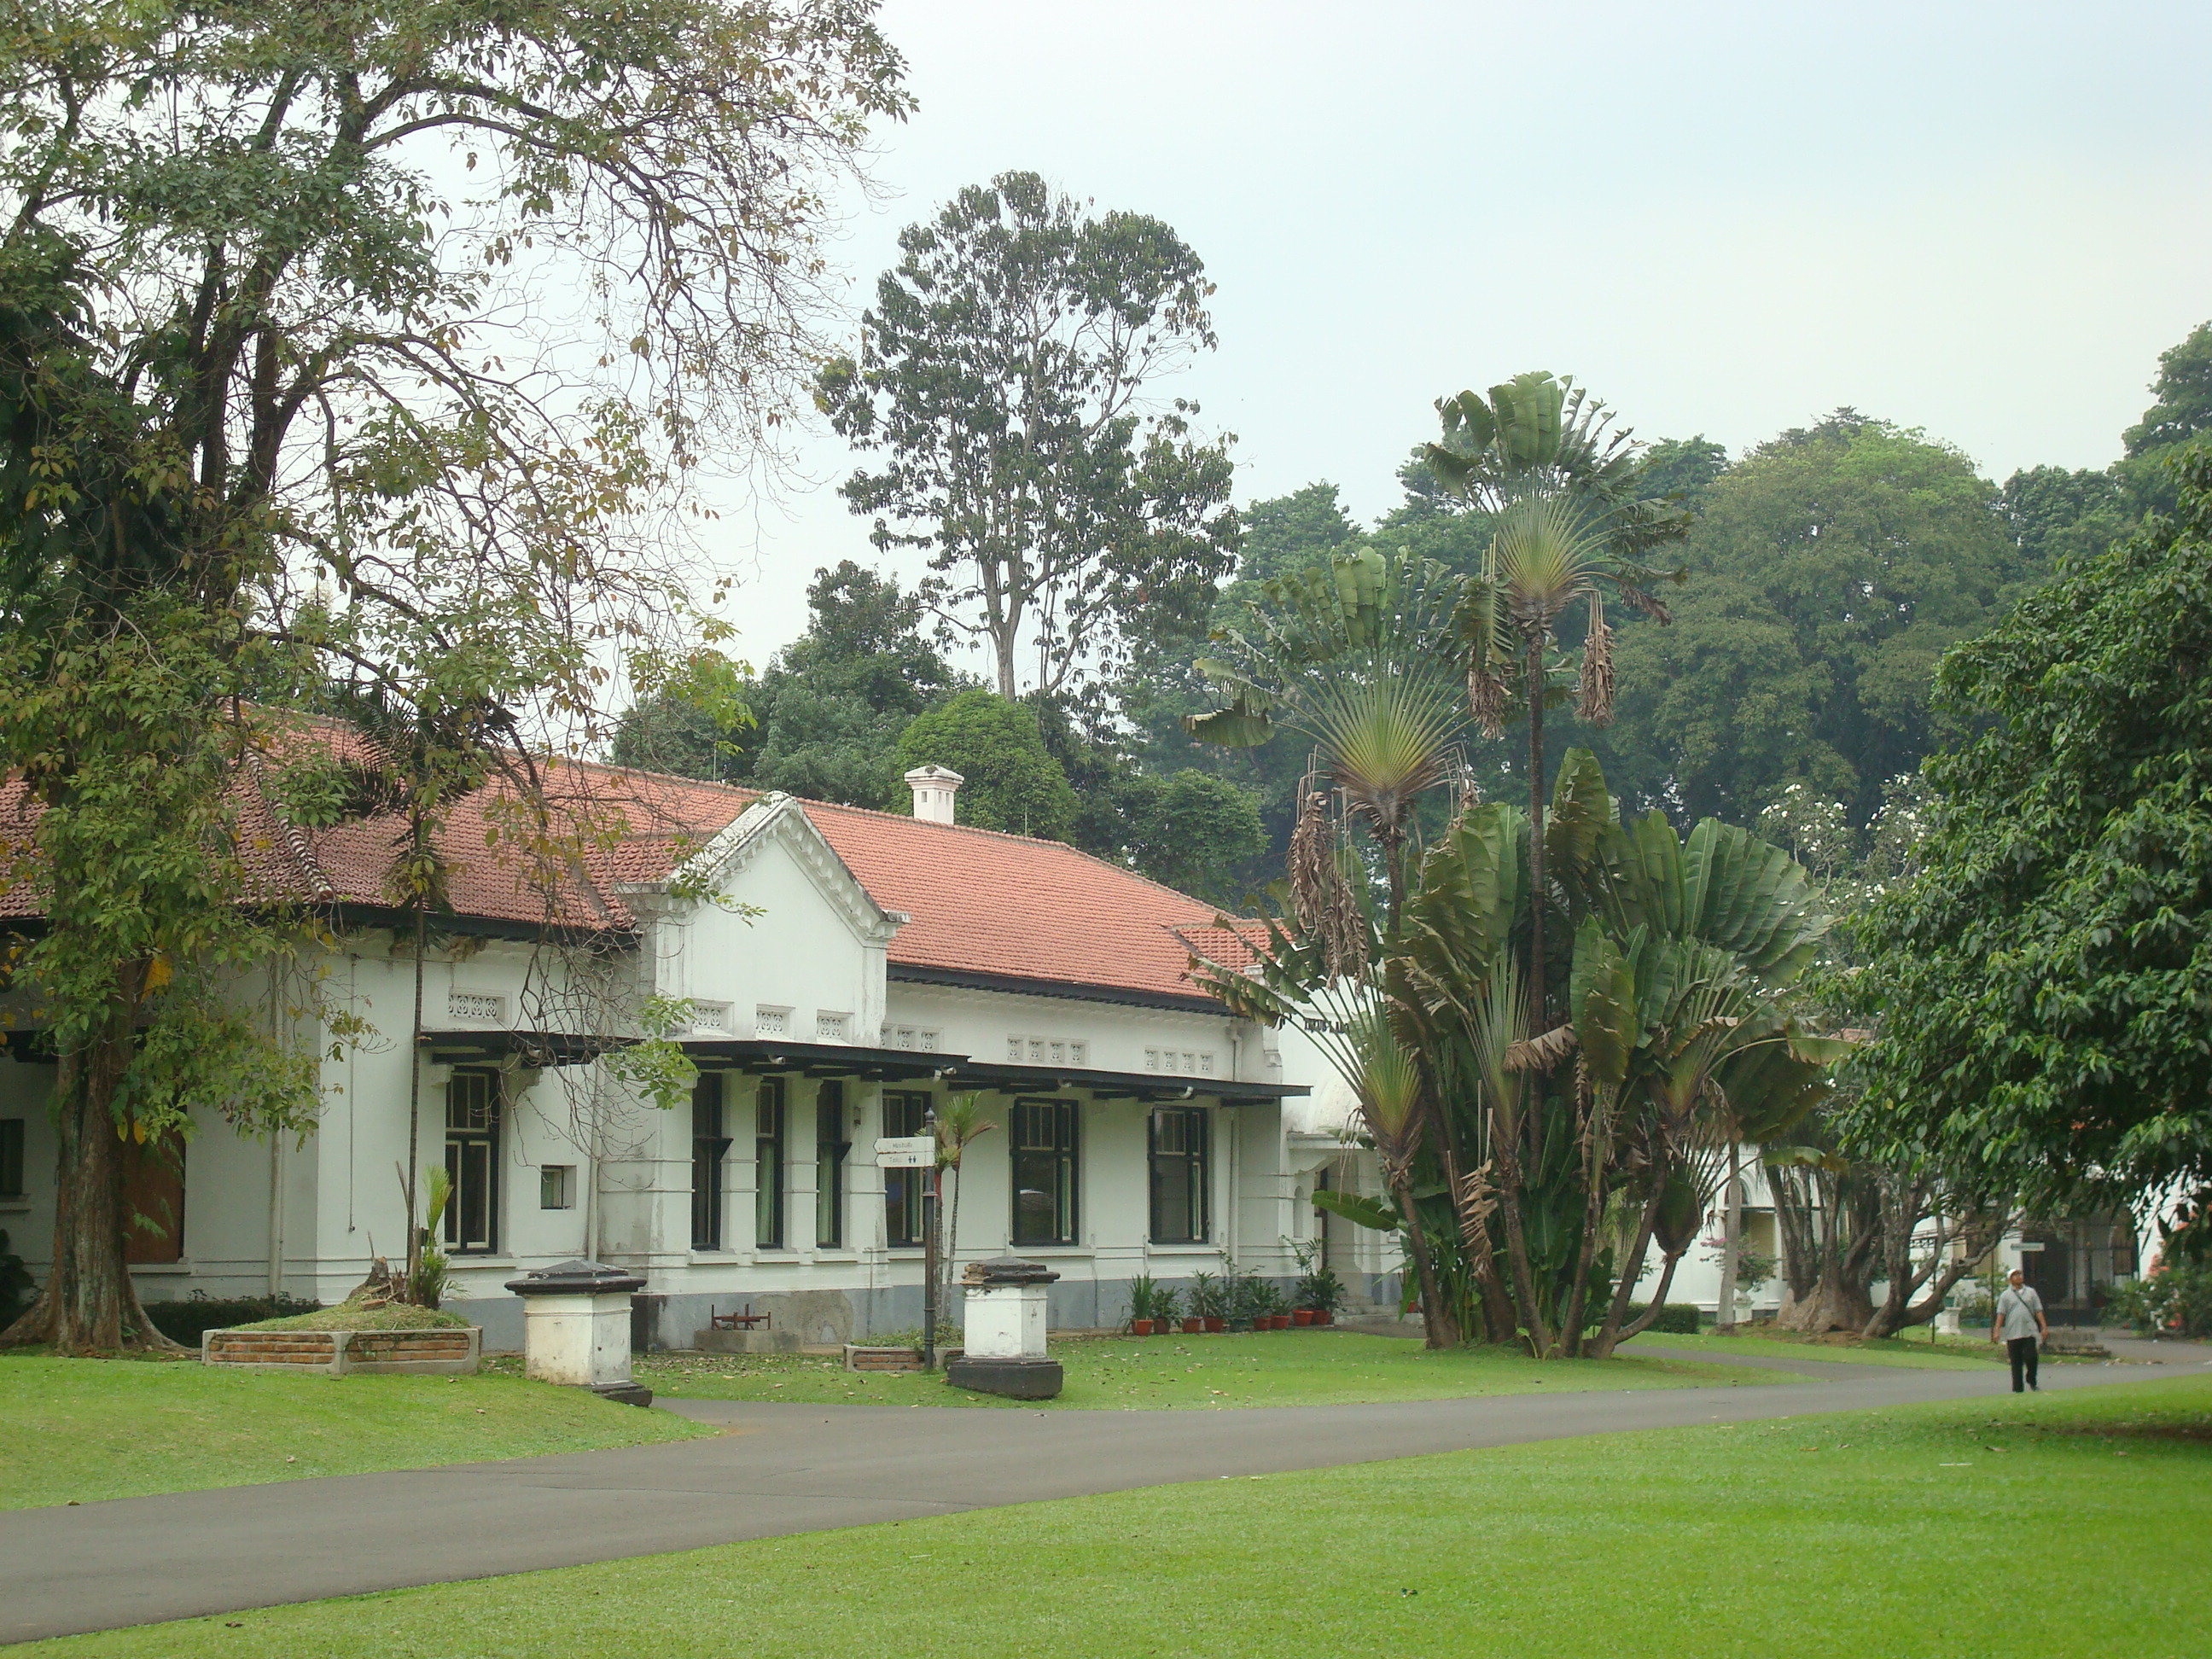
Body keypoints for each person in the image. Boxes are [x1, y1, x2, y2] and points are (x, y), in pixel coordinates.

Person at [1990, 1267, 2048, 1393]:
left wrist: (2044, 1327)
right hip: (2013, 1332)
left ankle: (2031, 1380)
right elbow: (2001, 1314)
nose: (2018, 1277)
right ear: (2010, 1279)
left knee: (2032, 1357)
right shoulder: (2006, 1295)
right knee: (2016, 1362)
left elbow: (2038, 1310)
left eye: (2020, 1275)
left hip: (2029, 1331)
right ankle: (2018, 1388)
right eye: (2015, 1275)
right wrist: (1997, 1330)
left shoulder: (2031, 1292)